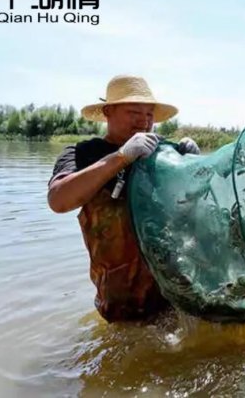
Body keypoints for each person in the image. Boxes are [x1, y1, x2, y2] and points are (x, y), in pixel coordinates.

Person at [47, 75, 201, 322]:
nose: (144, 121)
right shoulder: (82, 153)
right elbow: (58, 200)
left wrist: (192, 165)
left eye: (149, 114)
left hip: (175, 294)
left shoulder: (162, 153)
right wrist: (121, 156)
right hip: (122, 306)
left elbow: (193, 209)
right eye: (134, 112)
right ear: (108, 112)